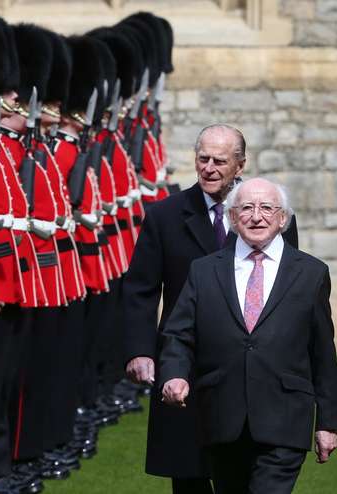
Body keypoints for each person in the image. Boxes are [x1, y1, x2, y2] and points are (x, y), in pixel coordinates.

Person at [121, 124, 298, 494]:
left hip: (246, 369)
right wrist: (140, 351)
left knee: (248, 476)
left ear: (240, 164)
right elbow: (140, 289)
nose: (210, 168)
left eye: (220, 161)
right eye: (203, 159)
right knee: (189, 476)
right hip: (182, 362)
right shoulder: (164, 216)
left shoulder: (269, 218)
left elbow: (288, 290)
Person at [159, 177, 337, 494]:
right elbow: (178, 332)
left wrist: (329, 421)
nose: (256, 216)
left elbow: (322, 351)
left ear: (283, 218)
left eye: (267, 208)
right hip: (221, 416)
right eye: (246, 207)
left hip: (285, 418)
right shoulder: (204, 270)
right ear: (232, 218)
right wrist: (175, 374)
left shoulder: (311, 273)